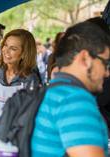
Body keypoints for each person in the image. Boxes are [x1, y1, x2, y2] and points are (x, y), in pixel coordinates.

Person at [31, 21, 110, 157]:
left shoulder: (54, 92)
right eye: (105, 63)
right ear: (85, 58)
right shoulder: (75, 101)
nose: (107, 72)